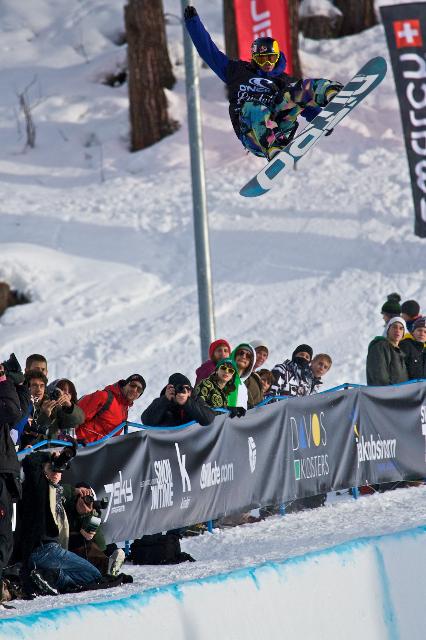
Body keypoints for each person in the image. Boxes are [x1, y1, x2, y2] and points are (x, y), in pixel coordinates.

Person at [184, 7, 343, 160]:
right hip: (253, 135)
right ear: (254, 58)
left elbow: (302, 103)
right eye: (262, 59)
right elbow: (209, 52)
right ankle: (273, 147)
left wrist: (321, 120)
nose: (267, 63)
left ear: (277, 57)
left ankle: (330, 92)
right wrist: (193, 23)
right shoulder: (237, 72)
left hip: (281, 128)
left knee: (297, 88)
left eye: (271, 58)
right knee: (253, 106)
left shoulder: (283, 80)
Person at [17, 447, 104, 595]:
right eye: (53, 469)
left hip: (53, 550)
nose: (57, 473)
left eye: (60, 471)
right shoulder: (37, 486)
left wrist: (85, 514)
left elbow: (101, 544)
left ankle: (50, 576)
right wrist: (49, 456)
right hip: (42, 549)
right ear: (44, 470)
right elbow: (29, 461)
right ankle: (53, 577)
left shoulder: (57, 493)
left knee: (91, 576)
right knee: (94, 576)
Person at [0, 358, 30, 603]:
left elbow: (19, 409)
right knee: (2, 536)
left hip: (4, 470)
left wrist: (17, 382)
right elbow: (11, 410)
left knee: (5, 536)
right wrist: (4, 381)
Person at [63, 483, 125, 577]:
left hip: (91, 547)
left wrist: (86, 514)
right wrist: (74, 491)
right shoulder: (67, 505)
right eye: (82, 496)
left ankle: (107, 565)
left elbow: (88, 534)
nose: (85, 500)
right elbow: (58, 489)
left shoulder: (95, 512)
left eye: (89, 497)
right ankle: (106, 566)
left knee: (87, 544)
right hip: (68, 545)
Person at [76, 374, 146, 444]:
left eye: (139, 389)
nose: (134, 390)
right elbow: (75, 418)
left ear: (139, 395)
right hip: (82, 447)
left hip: (100, 449)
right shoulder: (103, 397)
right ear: (125, 384)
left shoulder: (124, 409)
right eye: (132, 385)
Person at [141, 373, 215, 427]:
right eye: (179, 388)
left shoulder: (195, 400)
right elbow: (147, 421)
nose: (183, 391)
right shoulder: (162, 401)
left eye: (187, 388)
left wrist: (187, 402)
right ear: (171, 389)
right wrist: (165, 400)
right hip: (169, 445)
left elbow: (209, 419)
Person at [366, 317, 408, 386]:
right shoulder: (380, 346)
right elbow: (379, 376)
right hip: (385, 394)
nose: (397, 330)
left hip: (399, 394)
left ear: (403, 334)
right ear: (388, 330)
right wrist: (390, 393)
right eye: (394, 327)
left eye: (401, 328)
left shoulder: (399, 352)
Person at [228, 343, 257, 411]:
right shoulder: (220, 378)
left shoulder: (243, 388)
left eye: (248, 356)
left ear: (251, 363)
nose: (244, 356)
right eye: (241, 353)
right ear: (234, 355)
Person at [399, 316, 426, 380]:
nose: (422, 334)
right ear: (413, 332)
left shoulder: (424, 350)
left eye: (425, 332)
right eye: (419, 330)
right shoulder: (405, 345)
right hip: (406, 387)